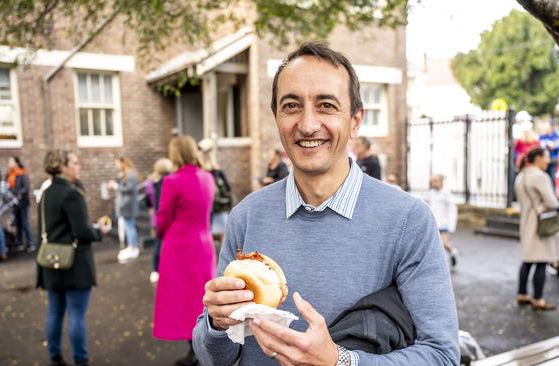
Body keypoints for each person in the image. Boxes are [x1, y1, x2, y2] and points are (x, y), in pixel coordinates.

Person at [193, 42, 458, 365]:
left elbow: (442, 354)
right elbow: (213, 358)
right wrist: (217, 324)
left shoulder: (407, 220)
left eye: (326, 105)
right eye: (291, 106)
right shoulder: (246, 216)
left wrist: (340, 361)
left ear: (355, 121)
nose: (307, 124)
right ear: (275, 116)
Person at [37, 150, 111, 366]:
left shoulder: (46, 192)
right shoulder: (72, 194)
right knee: (77, 314)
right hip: (75, 263)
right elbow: (83, 232)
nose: (79, 167)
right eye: (75, 163)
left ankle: (55, 357)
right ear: (62, 166)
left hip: (50, 261)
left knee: (54, 311)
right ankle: (80, 359)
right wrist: (100, 231)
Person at [153, 136, 216, 366]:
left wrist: (160, 234)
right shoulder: (208, 177)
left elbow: (162, 218)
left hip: (179, 247)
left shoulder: (173, 181)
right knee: (201, 299)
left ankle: (195, 353)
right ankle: (200, 351)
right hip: (203, 243)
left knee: (184, 301)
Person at [514, 147, 559, 310]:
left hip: (527, 222)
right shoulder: (540, 176)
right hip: (541, 224)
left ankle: (522, 294)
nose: (549, 161)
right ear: (538, 158)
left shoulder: (521, 175)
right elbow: (552, 202)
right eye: (547, 157)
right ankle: (538, 299)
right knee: (541, 261)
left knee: (527, 260)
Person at [198, 138, 233, 249]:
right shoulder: (217, 170)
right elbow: (228, 189)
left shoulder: (200, 171)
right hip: (219, 205)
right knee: (224, 234)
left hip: (206, 206)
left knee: (205, 233)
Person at [147, 158, 173, 284]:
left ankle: (156, 270)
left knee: (158, 245)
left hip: (162, 218)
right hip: (171, 220)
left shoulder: (158, 183)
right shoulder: (171, 180)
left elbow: (158, 204)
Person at [109, 157, 140, 263]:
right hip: (125, 206)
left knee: (130, 227)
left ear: (123, 162)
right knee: (128, 226)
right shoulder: (125, 173)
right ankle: (131, 246)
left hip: (128, 206)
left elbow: (129, 188)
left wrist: (116, 186)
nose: (116, 165)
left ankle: (133, 248)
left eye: (117, 163)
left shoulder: (130, 174)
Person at [428, 174, 458, 267]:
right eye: (432, 181)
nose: (434, 183)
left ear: (441, 182)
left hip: (444, 223)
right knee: (435, 244)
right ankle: (438, 264)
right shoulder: (431, 193)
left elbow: (452, 210)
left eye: (436, 181)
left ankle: (453, 252)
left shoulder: (447, 194)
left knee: (444, 244)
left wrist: (451, 225)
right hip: (434, 223)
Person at [6, 157, 35, 253]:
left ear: (16, 163)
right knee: (17, 223)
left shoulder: (22, 174)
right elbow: (8, 187)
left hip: (22, 202)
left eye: (11, 161)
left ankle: (30, 243)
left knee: (24, 222)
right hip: (13, 203)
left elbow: (25, 188)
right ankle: (20, 243)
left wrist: (17, 194)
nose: (9, 163)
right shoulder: (9, 174)